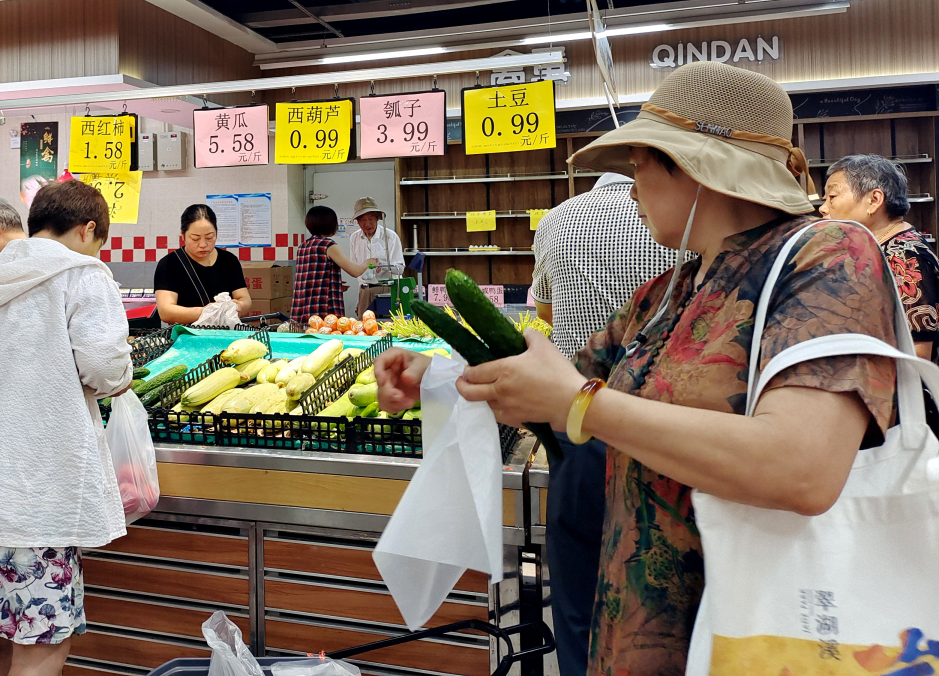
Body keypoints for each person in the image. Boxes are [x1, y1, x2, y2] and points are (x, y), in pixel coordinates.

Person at [375, 62, 903, 675]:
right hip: (635, 622)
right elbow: (556, 379)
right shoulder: (670, 290)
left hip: (751, 633)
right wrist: (438, 375)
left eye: (639, 168)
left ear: (695, 167)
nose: (631, 192)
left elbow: (803, 469)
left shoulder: (830, 256)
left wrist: (583, 403)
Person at [0, 180, 132, 675]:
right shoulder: (83, 274)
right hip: (36, 500)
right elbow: (104, 366)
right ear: (87, 230)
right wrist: (118, 380)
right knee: (41, 646)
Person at [530, 172, 676, 676]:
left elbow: (546, 314)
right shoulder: (679, 233)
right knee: (652, 591)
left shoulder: (556, 220)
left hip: (574, 421)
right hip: (664, 434)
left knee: (577, 589)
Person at [820, 154, 939, 362]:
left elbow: (918, 354)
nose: (823, 208)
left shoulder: (905, 257)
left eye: (832, 197)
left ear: (874, 200)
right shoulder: (878, 244)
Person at [154, 205, 252, 325]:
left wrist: (239, 306)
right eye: (195, 238)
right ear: (183, 234)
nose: (203, 244)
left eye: (210, 237)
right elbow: (166, 312)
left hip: (225, 333)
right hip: (186, 334)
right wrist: (208, 312)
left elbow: (244, 299)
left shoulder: (229, 260)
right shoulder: (169, 264)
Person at [291, 206, 377, 322]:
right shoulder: (328, 245)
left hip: (303, 306)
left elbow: (312, 276)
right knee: (326, 332)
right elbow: (355, 271)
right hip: (322, 308)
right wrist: (368, 262)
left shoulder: (304, 245)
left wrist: (334, 284)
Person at [349, 197, 405, 317]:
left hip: (387, 290)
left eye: (371, 218)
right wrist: (359, 300)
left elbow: (400, 269)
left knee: (388, 325)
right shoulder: (354, 238)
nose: (367, 223)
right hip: (365, 290)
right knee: (364, 326)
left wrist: (383, 265)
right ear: (357, 221)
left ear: (377, 218)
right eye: (363, 219)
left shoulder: (390, 236)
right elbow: (356, 270)